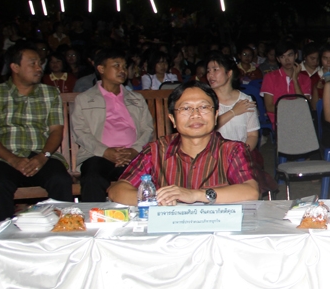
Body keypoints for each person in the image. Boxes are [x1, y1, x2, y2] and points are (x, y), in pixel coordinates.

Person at [108, 81, 259, 205]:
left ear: (215, 116)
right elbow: (117, 190)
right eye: (186, 108)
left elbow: (250, 191)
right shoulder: (156, 150)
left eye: (203, 107)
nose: (195, 115)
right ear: (173, 119)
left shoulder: (232, 150)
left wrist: (195, 195)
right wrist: (156, 200)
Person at [0, 44, 74, 222]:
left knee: (60, 180)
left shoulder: (50, 93)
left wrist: (43, 157)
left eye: (40, 63)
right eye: (33, 64)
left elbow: (56, 131)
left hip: (42, 155)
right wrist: (13, 160)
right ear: (15, 67)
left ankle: (64, 229)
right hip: (6, 157)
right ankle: (1, 233)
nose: (39, 68)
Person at [71, 48, 156, 202]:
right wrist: (105, 151)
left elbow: (148, 129)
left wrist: (134, 150)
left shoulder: (136, 99)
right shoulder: (85, 99)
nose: (122, 70)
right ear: (101, 69)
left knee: (150, 176)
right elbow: (80, 132)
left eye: (124, 66)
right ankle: (95, 214)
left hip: (133, 155)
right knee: (92, 176)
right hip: (98, 155)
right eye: (116, 65)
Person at [205, 52, 259, 150]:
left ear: (229, 73)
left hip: (240, 155)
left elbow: (253, 135)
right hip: (213, 154)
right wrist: (233, 112)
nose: (210, 75)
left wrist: (241, 154)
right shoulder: (206, 100)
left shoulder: (245, 100)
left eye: (215, 70)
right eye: (208, 71)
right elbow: (207, 129)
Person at [260, 43, 311, 125]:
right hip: (279, 119)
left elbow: (304, 105)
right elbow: (269, 107)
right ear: (278, 59)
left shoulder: (305, 78)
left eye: (290, 55)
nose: (287, 60)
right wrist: (292, 111)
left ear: (296, 55)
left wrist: (295, 80)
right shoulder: (269, 77)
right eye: (282, 57)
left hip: (299, 119)